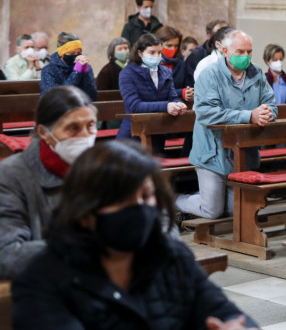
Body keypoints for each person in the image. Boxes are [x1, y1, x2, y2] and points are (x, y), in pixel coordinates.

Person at [12, 141, 258, 329]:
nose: (140, 207)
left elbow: (225, 311)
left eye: (146, 195)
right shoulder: (44, 278)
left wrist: (235, 326)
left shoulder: (171, 256)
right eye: (123, 199)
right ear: (85, 211)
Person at [177, 31, 277, 219]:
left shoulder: (256, 73)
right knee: (212, 211)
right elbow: (207, 113)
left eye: (249, 52)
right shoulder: (210, 75)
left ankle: (208, 199)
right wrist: (249, 116)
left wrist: (267, 113)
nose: (245, 56)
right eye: (240, 52)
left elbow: (270, 103)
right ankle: (175, 201)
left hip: (243, 153)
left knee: (236, 209)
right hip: (212, 152)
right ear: (225, 50)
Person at [0, 86, 97, 279]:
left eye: (91, 125)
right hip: (48, 286)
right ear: (44, 133)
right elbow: (7, 254)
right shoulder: (10, 175)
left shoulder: (105, 168)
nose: (85, 136)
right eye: (73, 128)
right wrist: (86, 247)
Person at [117, 34, 188, 156]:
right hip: (133, 135)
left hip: (157, 133)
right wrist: (166, 106)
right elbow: (135, 106)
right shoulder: (127, 73)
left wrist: (179, 104)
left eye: (159, 52)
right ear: (140, 53)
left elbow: (172, 97)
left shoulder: (165, 71)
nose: (157, 56)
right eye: (152, 52)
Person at [40, 32, 98, 100]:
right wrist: (76, 72)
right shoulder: (48, 70)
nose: (76, 56)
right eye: (71, 53)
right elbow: (57, 98)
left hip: (81, 105)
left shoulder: (85, 66)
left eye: (79, 53)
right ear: (62, 53)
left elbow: (92, 96)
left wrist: (85, 73)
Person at [156, 25, 194, 96]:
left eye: (176, 46)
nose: (173, 49)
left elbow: (188, 85)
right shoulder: (150, 63)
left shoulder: (181, 63)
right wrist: (181, 92)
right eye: (169, 46)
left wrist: (189, 93)